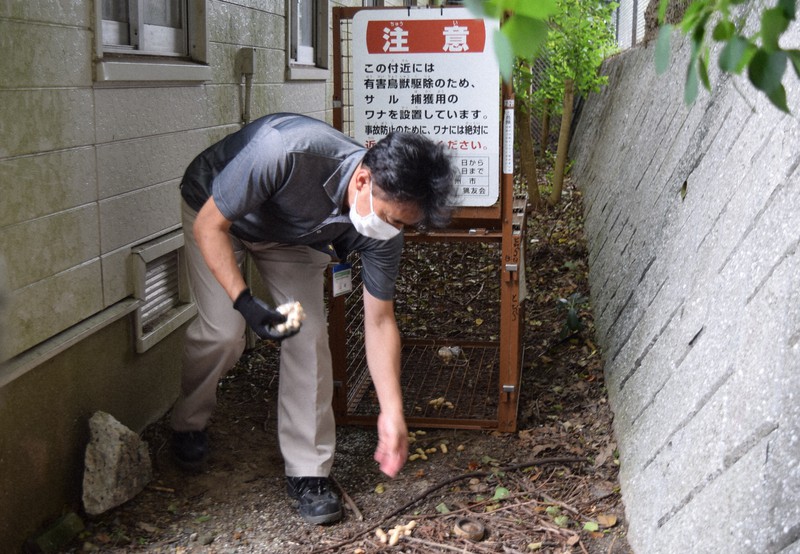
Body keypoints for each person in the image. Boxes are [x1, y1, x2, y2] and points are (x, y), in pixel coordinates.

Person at [170, 113, 456, 524]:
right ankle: (188, 422)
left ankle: (309, 472)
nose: (394, 230)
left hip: (294, 236)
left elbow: (379, 323)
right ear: (362, 181)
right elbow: (210, 225)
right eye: (393, 219)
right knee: (223, 332)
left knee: (308, 335)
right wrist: (246, 303)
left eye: (405, 225)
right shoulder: (287, 151)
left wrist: (391, 411)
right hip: (216, 212)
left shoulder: (384, 233)